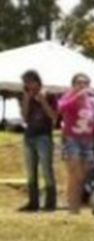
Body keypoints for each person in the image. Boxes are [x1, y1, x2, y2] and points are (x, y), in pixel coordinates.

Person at [56, 74, 94, 215]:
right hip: (72, 139)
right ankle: (73, 208)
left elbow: (92, 122)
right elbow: (61, 109)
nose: (82, 85)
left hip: (87, 140)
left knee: (81, 176)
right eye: (79, 82)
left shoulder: (93, 101)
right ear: (73, 84)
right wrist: (76, 96)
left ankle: (76, 205)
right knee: (74, 173)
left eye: (85, 83)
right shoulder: (68, 97)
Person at [16, 70, 58, 213]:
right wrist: (27, 99)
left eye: (29, 82)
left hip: (44, 137)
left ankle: (50, 203)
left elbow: (54, 116)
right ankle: (33, 203)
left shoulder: (49, 95)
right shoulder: (26, 96)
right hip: (29, 136)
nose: (27, 85)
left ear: (36, 81)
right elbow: (24, 117)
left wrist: (43, 101)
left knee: (46, 170)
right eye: (25, 83)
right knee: (30, 171)